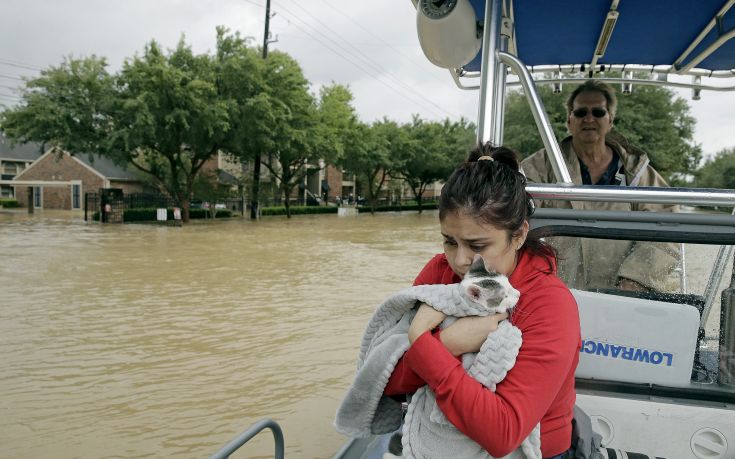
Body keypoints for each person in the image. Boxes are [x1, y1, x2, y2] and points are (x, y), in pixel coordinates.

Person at [384, 144, 581, 458]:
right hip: (436, 436)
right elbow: (384, 382)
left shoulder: (549, 304)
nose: (460, 260)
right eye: (449, 241)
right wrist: (447, 346)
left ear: (518, 235)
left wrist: (429, 345)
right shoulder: (439, 271)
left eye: (477, 244)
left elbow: (503, 434)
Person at [521, 79, 679, 292]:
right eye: (580, 112)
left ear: (610, 120)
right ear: (569, 120)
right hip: (554, 291)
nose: (589, 118)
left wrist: (636, 278)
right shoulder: (539, 167)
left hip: (620, 297)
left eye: (598, 112)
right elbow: (515, 219)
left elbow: (668, 229)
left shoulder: (636, 172)